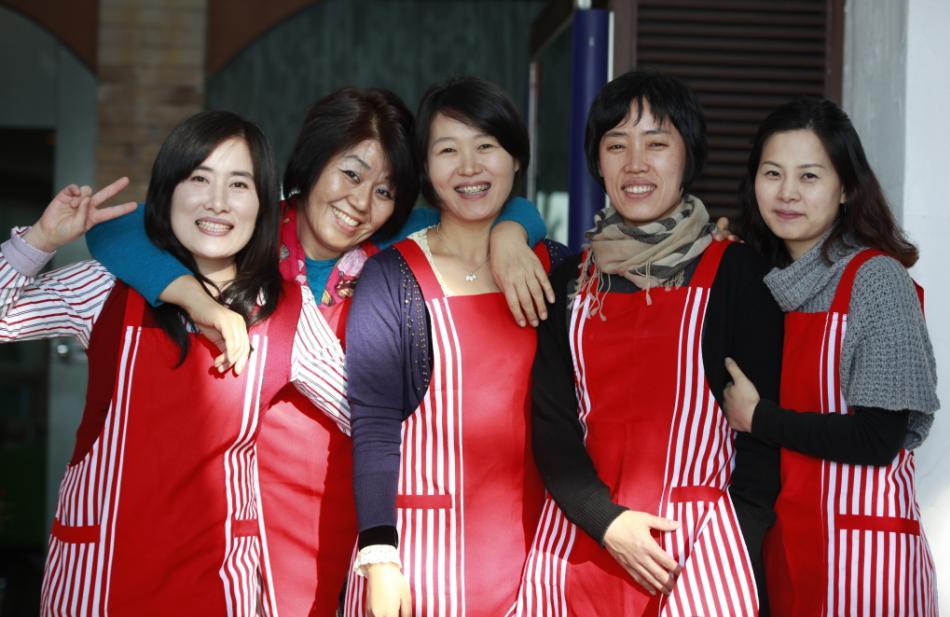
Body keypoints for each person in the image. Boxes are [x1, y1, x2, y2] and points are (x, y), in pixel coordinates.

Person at [84, 88, 551, 616]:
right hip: (245, 511)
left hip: (362, 502)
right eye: (350, 174)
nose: (361, 203)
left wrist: (510, 235)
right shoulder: (248, 226)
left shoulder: (397, 245)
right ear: (312, 162)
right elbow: (117, 228)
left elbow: (493, 204)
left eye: (385, 190)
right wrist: (195, 298)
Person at [0, 111, 350, 615]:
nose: (217, 201)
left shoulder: (286, 312)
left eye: (239, 184)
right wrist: (40, 240)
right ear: (167, 193)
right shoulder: (106, 287)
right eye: (199, 179)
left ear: (262, 205)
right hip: (96, 575)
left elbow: (372, 417)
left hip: (218, 582)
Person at [513, 70, 783, 616]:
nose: (635, 163)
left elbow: (764, 443)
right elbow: (551, 425)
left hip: (700, 554)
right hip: (581, 546)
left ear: (689, 155)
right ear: (598, 161)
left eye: (656, 143)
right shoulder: (569, 282)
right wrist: (606, 522)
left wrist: (731, 554)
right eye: (617, 145)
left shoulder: (739, 274)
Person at [342, 76, 570, 617]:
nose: (469, 167)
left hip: (542, 557)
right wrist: (379, 556)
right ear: (425, 168)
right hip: (419, 561)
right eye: (448, 150)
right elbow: (373, 423)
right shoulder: (391, 276)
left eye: (485, 146)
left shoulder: (562, 269)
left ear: (516, 158)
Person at [725, 97, 939, 616]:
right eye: (772, 173)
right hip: (791, 544)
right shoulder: (769, 284)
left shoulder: (876, 279)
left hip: (865, 563)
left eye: (809, 176)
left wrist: (758, 417)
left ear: (845, 188)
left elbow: (877, 438)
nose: (787, 192)